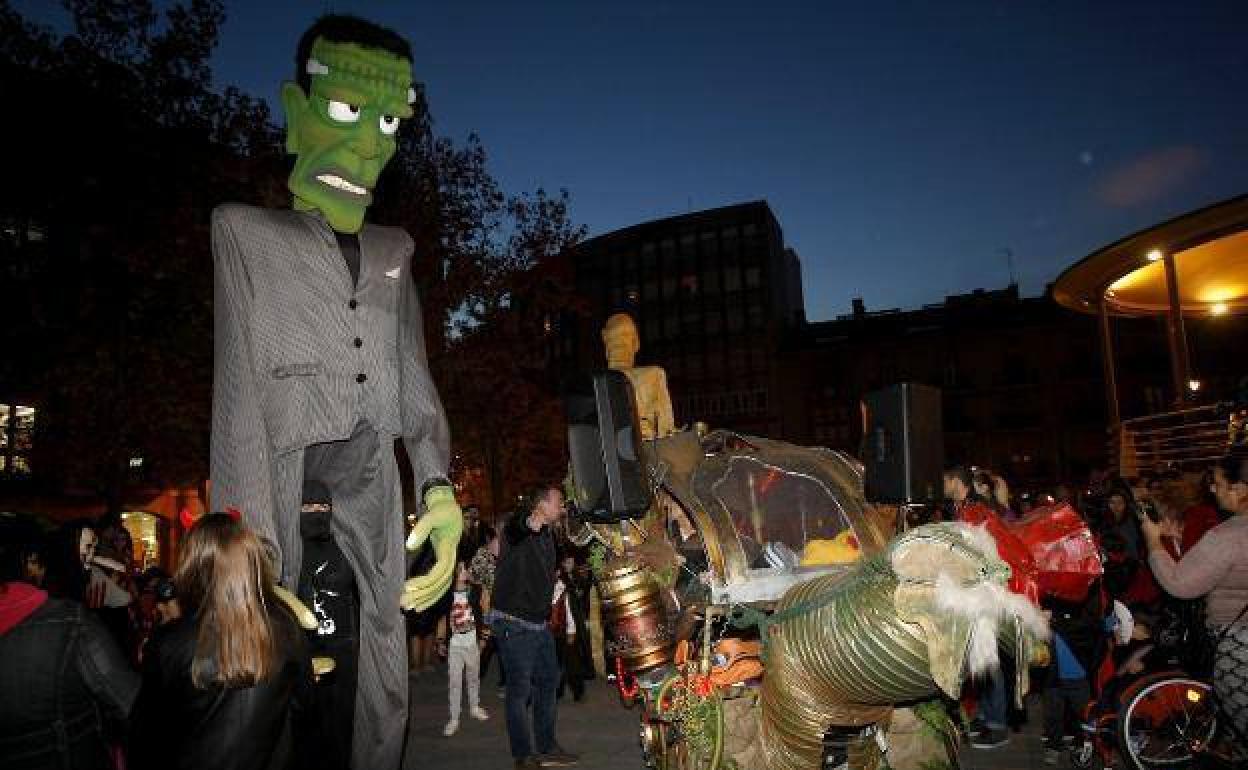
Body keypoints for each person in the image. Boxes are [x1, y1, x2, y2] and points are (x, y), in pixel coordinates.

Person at [208, 15, 465, 768]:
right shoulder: (245, 234)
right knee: (274, 676)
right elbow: (237, 402)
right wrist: (246, 559)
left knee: (382, 647)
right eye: (350, 112)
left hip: (369, 467)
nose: (371, 143)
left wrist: (441, 487)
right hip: (285, 453)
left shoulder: (395, 251)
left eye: (389, 121)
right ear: (299, 111)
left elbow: (416, 385)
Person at [129, 513, 313, 770]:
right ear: (253, 562)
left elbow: (146, 737)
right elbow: (306, 714)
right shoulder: (288, 626)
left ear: (193, 567)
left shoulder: (170, 642)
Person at [0, 532, 139, 770]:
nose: (89, 553)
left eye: (94, 545)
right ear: (31, 561)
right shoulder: (70, 620)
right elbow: (130, 704)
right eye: (86, 545)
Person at [1140, 450, 1248, 749]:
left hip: (1238, 646)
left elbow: (1180, 584)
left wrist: (1153, 541)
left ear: (1238, 489)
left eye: (1217, 482)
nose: (1212, 489)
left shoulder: (1227, 535)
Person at [488, 485, 579, 768]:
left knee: (549, 683)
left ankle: (547, 747)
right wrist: (530, 522)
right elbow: (517, 529)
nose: (562, 507)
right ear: (540, 505)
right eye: (559, 502)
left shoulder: (549, 536)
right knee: (519, 690)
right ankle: (523, 755)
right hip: (514, 624)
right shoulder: (519, 527)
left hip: (537, 625)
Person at [295, 480, 358, 770]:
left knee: (341, 722)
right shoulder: (291, 547)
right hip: (303, 649)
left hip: (342, 646)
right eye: (308, 506)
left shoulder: (344, 544)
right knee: (307, 722)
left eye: (323, 506)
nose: (316, 512)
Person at [443, 562, 488, 736]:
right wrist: (441, 640)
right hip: (455, 645)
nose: (464, 572)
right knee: (454, 682)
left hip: (471, 643)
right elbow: (443, 617)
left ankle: (474, 706)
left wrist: (484, 637)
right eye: (460, 569)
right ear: (454, 573)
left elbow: (485, 612)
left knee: (473, 677)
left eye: (465, 569)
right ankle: (454, 718)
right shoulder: (448, 593)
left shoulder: (475, 590)